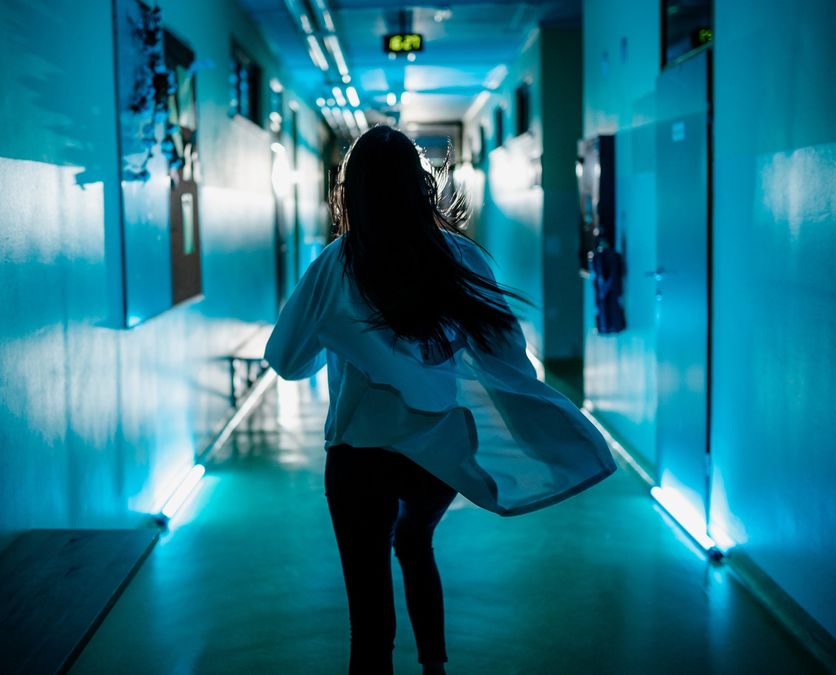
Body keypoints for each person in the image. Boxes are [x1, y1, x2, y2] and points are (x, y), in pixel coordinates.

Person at [264, 126, 617, 675]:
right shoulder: (459, 258)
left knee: (369, 621)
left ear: (348, 190)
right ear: (420, 185)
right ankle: (434, 668)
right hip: (436, 455)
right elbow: (508, 361)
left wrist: (333, 340)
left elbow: (287, 361)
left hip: (359, 461)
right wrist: (549, 435)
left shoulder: (335, 264)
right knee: (415, 544)